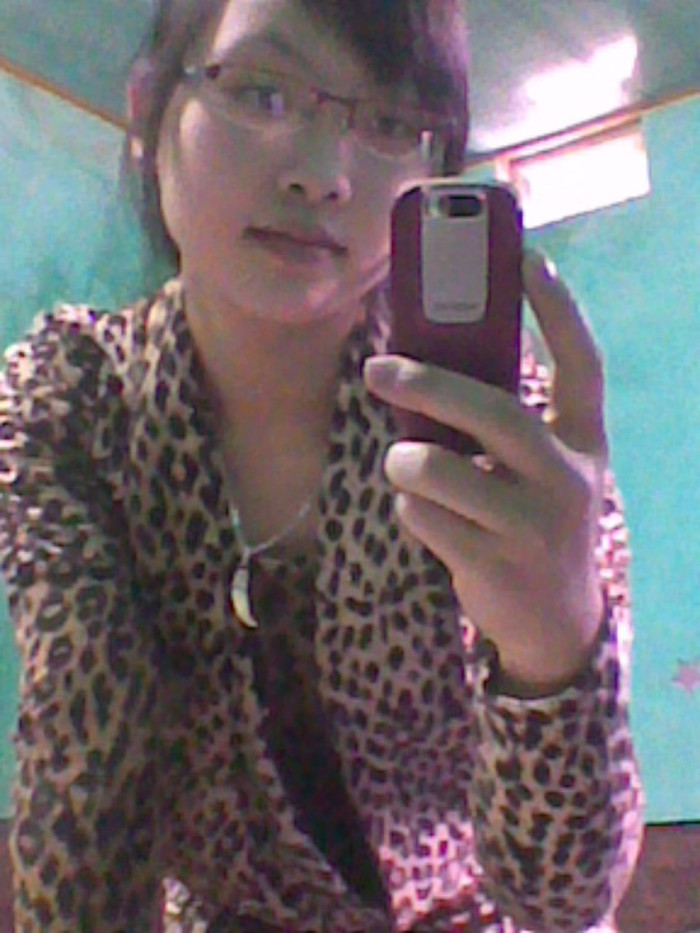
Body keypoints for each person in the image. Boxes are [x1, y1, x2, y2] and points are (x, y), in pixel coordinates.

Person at [0, 0, 644, 931]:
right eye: (262, 91)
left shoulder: (507, 437)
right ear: (148, 113)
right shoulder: (75, 399)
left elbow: (564, 898)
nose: (322, 174)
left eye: (390, 123)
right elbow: (85, 772)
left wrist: (556, 654)